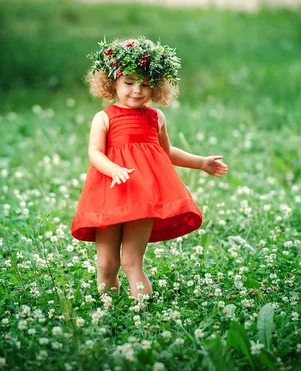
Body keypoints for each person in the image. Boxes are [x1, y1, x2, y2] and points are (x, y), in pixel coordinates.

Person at [71, 37, 228, 300]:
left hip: (143, 195)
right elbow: (94, 153)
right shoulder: (104, 118)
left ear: (155, 87)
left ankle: (141, 313)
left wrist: (201, 162)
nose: (137, 90)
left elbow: (166, 153)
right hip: (109, 194)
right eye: (129, 83)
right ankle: (108, 310)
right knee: (106, 264)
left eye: (145, 85)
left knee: (132, 262)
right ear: (112, 83)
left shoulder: (156, 117)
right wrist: (113, 169)